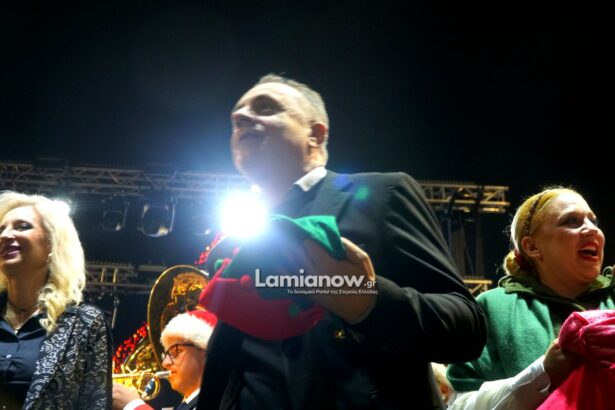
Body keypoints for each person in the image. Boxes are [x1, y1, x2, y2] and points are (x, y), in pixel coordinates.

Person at [196, 74, 486, 409]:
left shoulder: (382, 195)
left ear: (315, 134)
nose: (242, 116)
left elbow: (467, 328)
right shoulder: (233, 245)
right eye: (237, 116)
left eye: (266, 108)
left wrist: (369, 303)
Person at [446, 187, 614, 409]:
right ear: (532, 247)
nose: (592, 230)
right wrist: (542, 372)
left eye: (593, 221)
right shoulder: (493, 307)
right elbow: (459, 405)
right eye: (571, 221)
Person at [0, 191, 112, 409]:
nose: (5, 235)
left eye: (22, 226)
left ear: (52, 244)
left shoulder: (84, 323)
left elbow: (95, 404)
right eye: (1, 229)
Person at [113, 310, 217, 410]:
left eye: (176, 351)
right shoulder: (184, 405)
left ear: (205, 352)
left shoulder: (217, 401)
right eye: (166, 354)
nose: (164, 363)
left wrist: (133, 405)